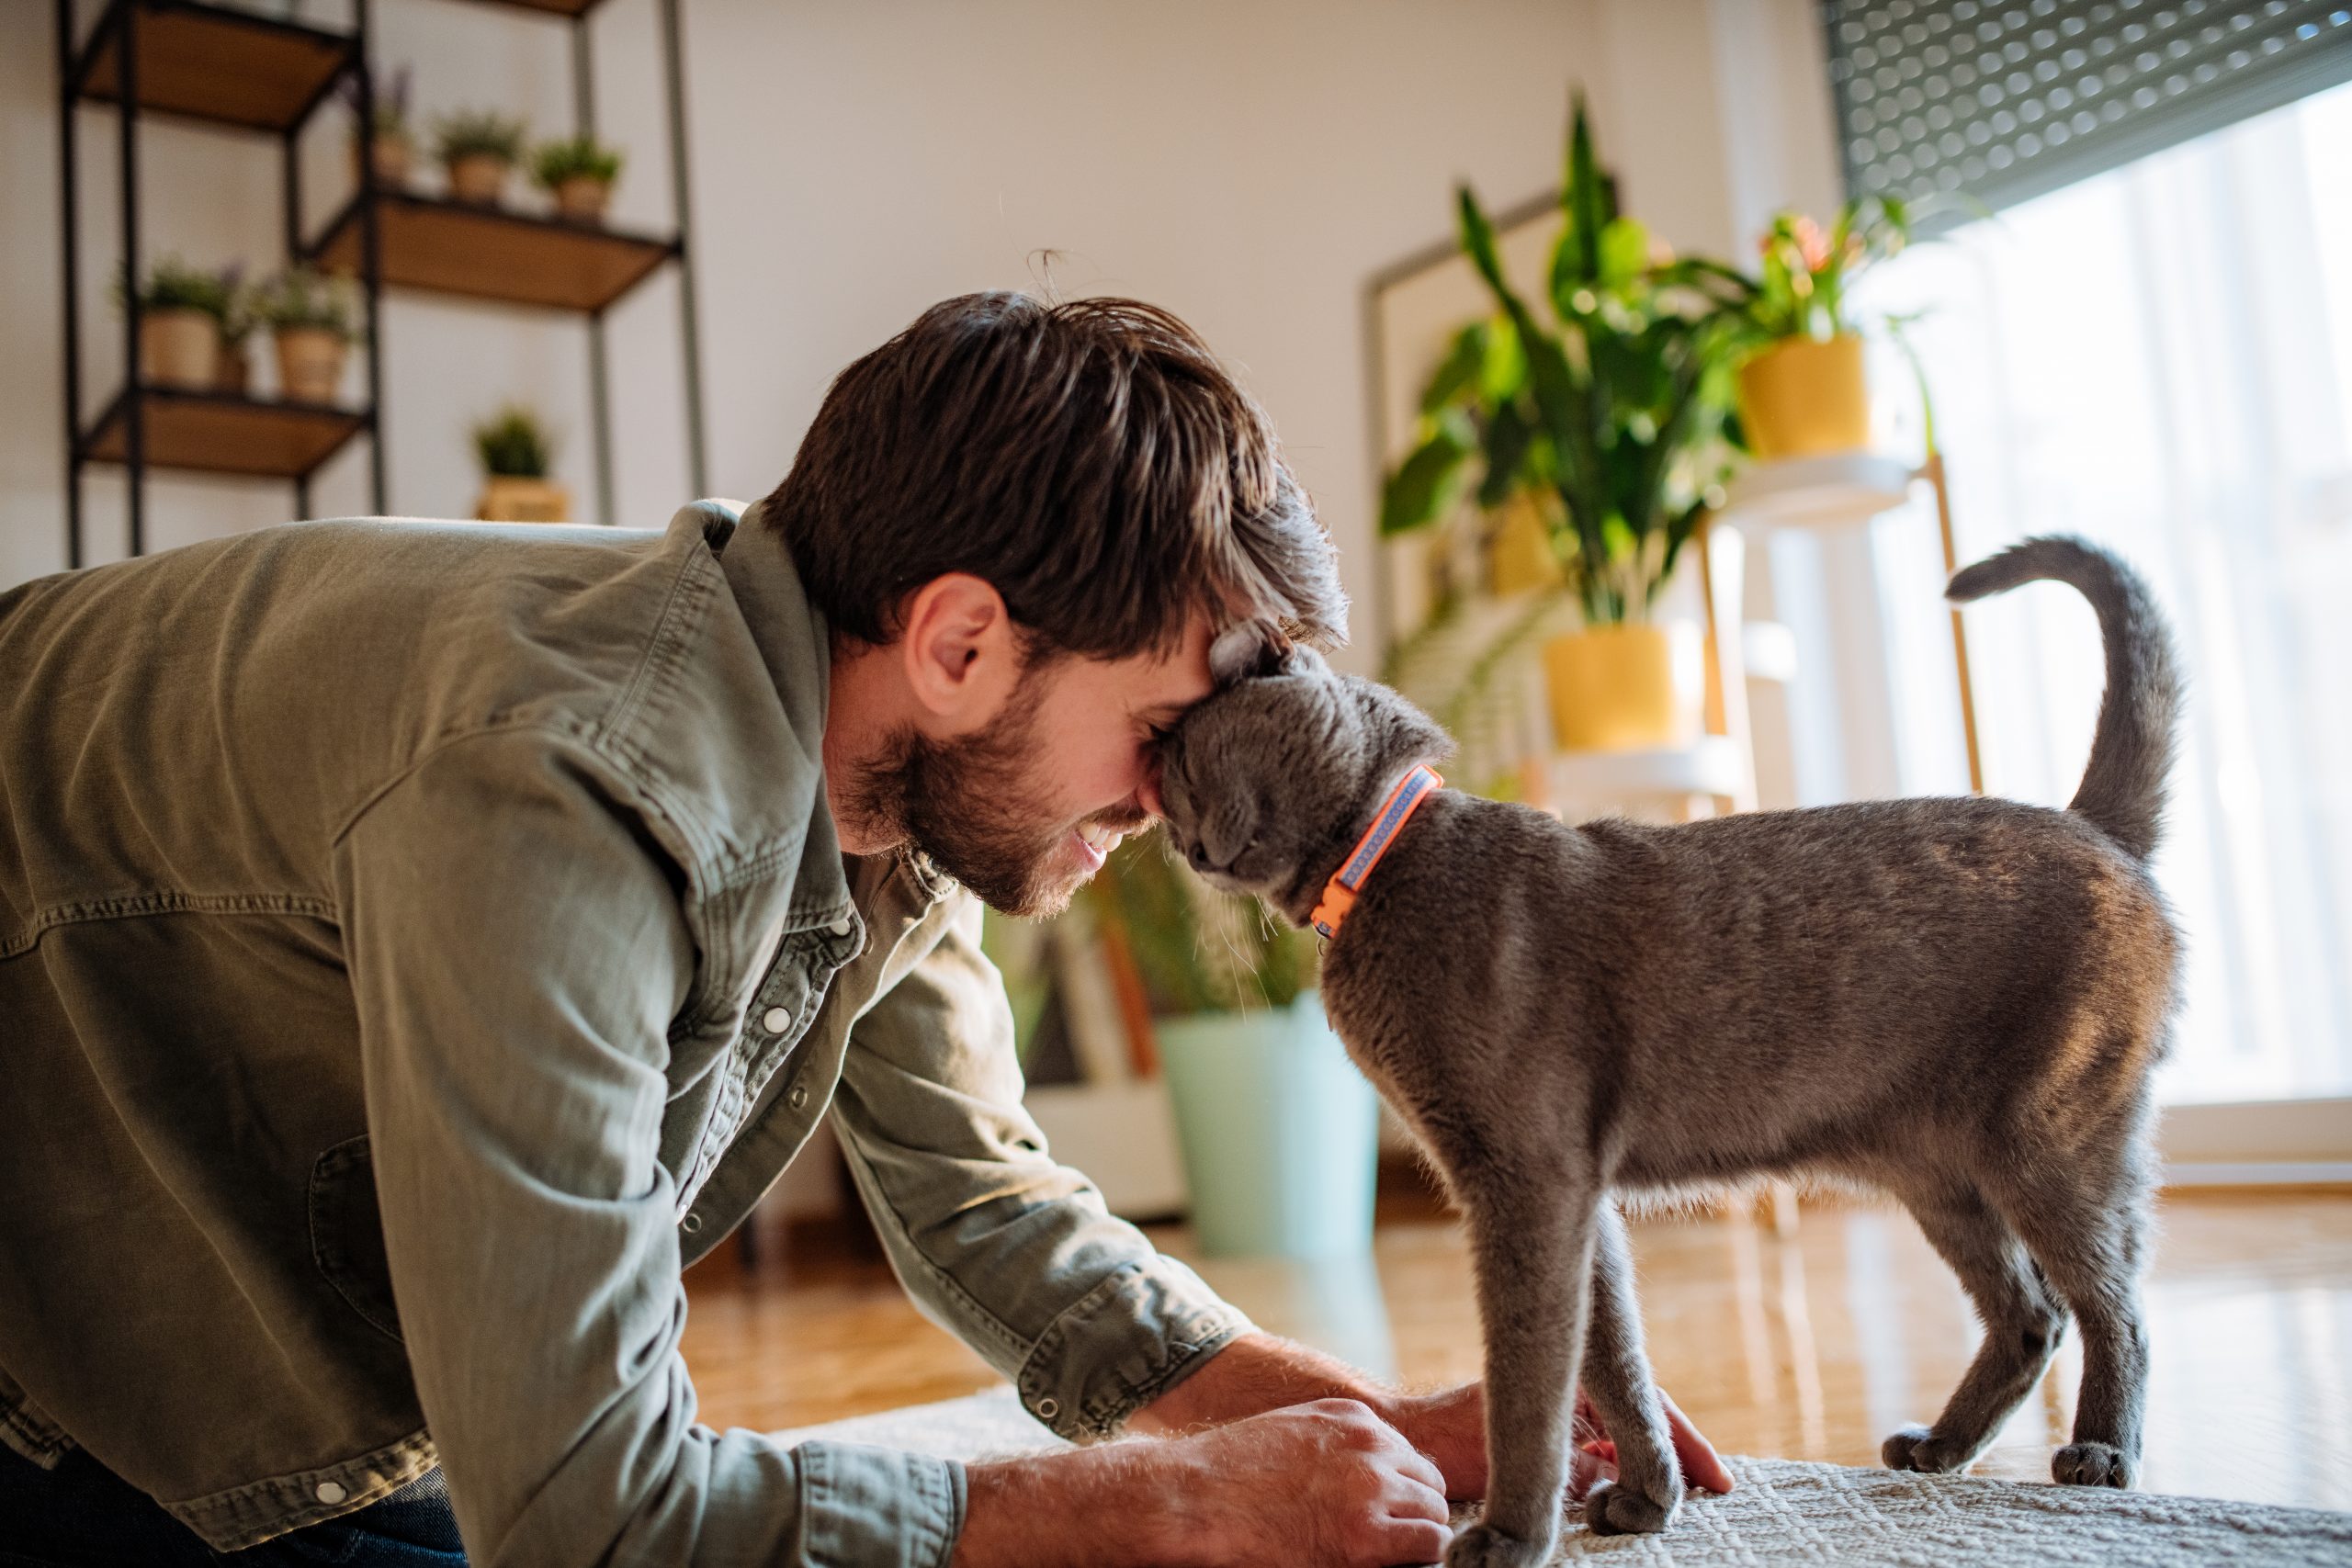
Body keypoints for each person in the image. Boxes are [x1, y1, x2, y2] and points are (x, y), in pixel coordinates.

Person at [0, 293, 1728, 1567]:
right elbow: (587, 1519)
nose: (1180, 801)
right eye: (1162, 728)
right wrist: (1159, 1513)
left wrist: (1319, 1416)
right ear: (966, 642)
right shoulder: (564, 800)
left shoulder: (879, 764)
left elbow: (981, 1200)